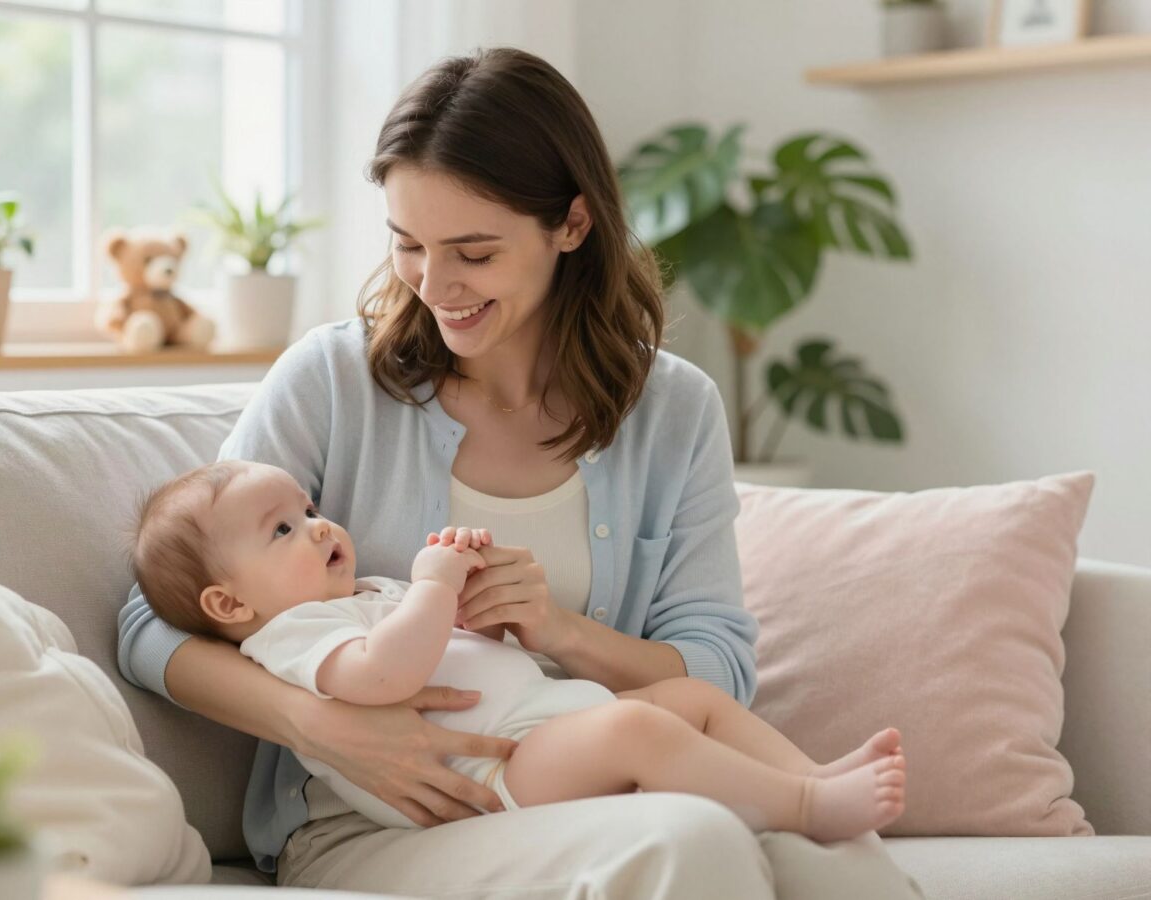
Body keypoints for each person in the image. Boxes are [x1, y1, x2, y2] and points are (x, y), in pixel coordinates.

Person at [117, 46, 922, 899]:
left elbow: (716, 666)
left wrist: (561, 632)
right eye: (408, 244)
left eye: (473, 252)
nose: (435, 284)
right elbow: (153, 620)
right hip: (381, 821)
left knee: (841, 862)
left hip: (599, 769)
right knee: (691, 841)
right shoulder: (332, 381)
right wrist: (322, 724)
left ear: (571, 225)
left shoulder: (674, 409)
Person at [132, 460, 908, 844]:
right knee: (640, 730)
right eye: (283, 530)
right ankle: (804, 810)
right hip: (494, 781)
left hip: (548, 726)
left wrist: (482, 610)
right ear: (229, 605)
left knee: (695, 700)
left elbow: (452, 654)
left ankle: (808, 774)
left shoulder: (363, 593)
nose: (318, 526)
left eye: (310, 509)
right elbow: (382, 676)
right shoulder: (289, 637)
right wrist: (432, 586)